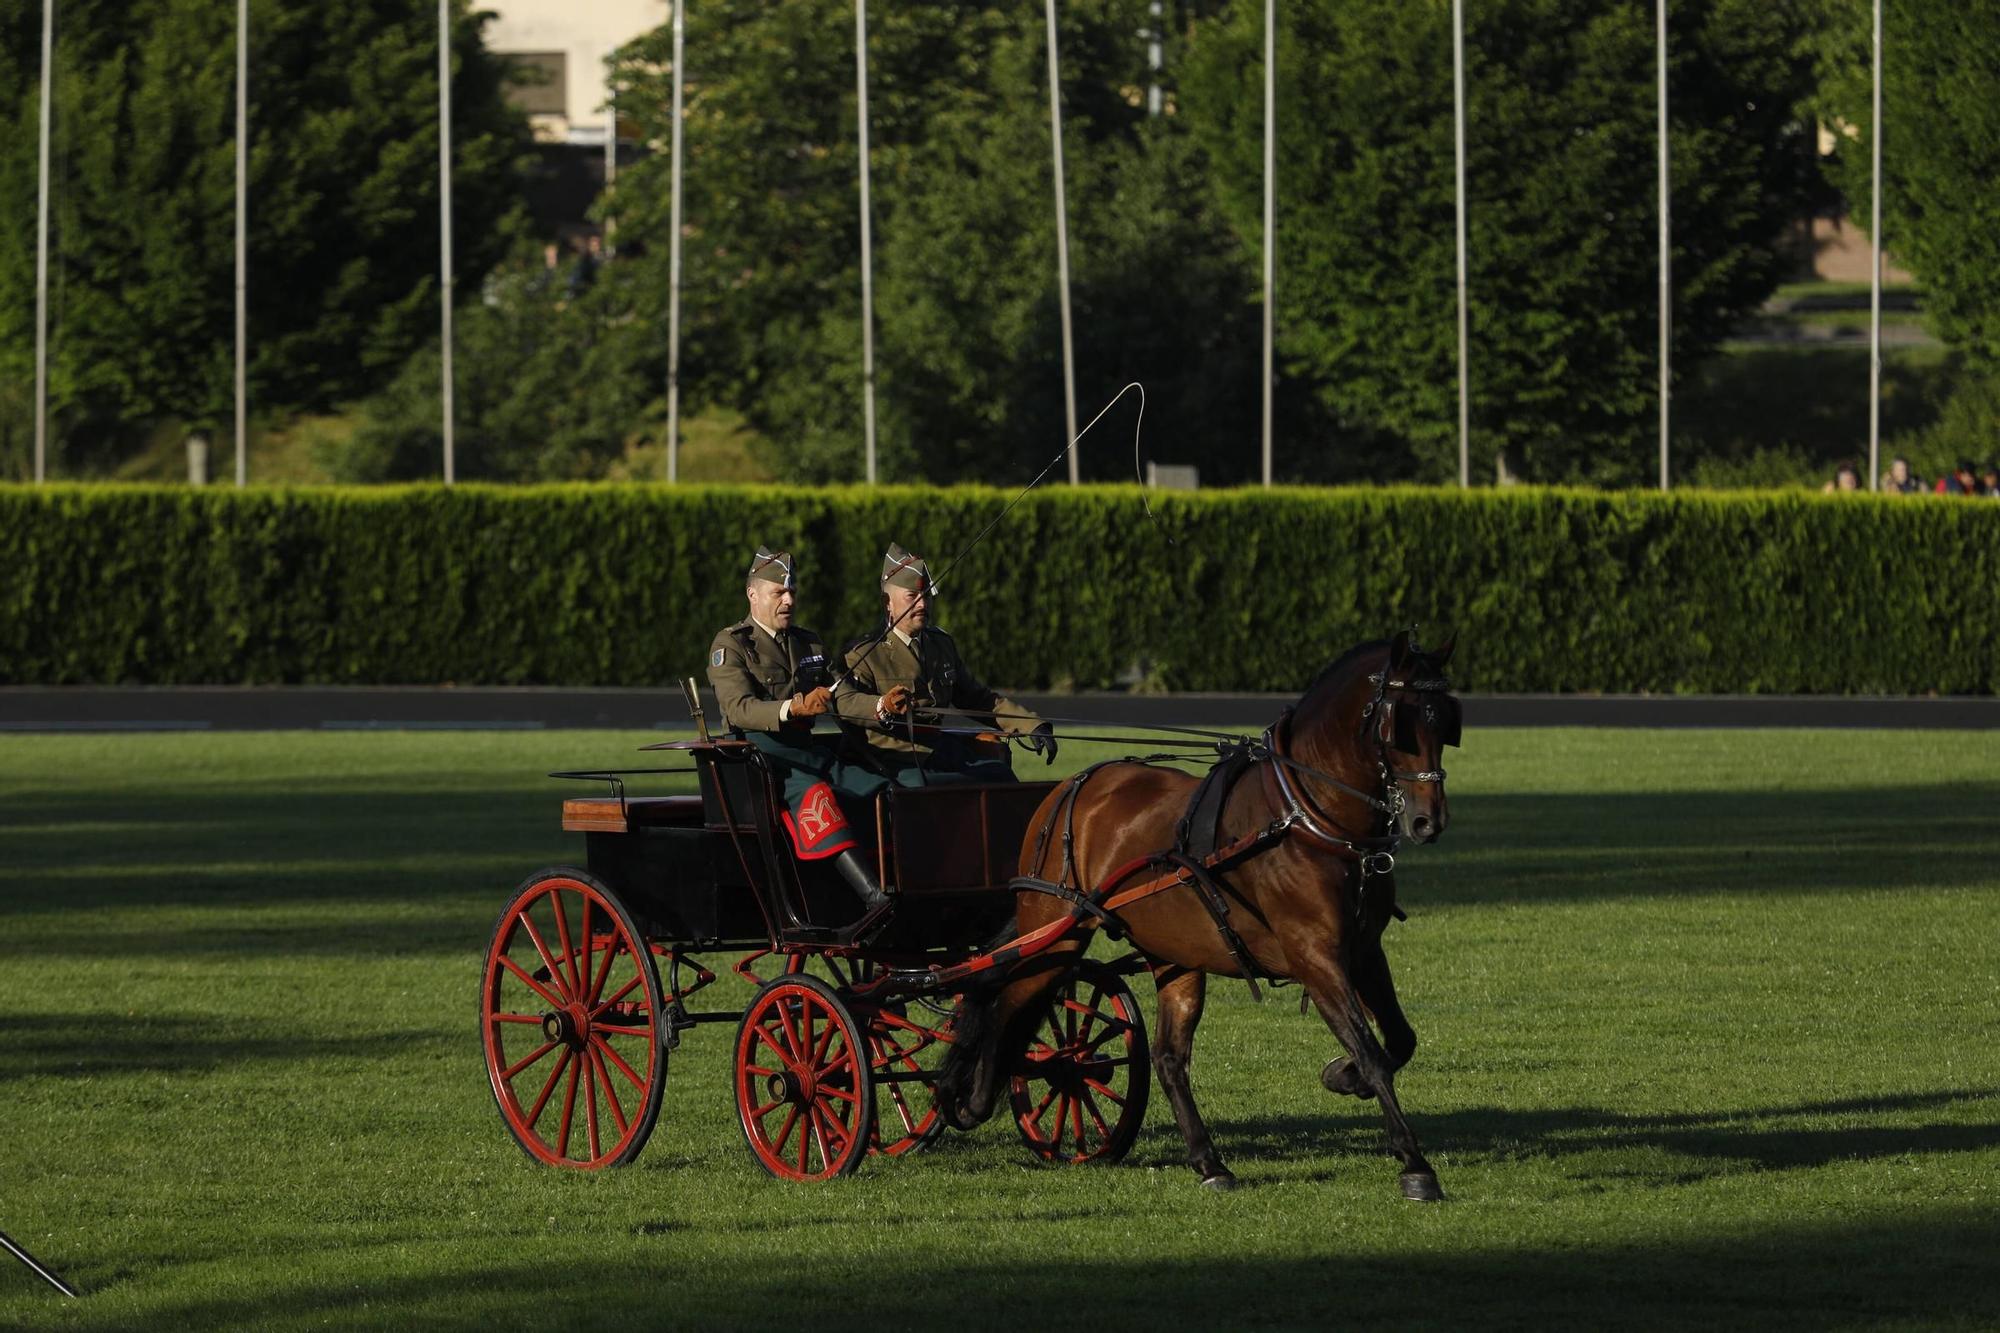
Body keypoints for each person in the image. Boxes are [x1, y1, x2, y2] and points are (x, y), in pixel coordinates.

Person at [705, 545, 899, 931]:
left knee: (883, 790)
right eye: (779, 592)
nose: (789, 600)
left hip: (809, 755)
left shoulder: (807, 643)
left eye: (792, 591)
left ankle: (903, 881)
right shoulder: (731, 645)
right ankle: (875, 900)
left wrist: (881, 706)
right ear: (753, 595)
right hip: (765, 763)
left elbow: (839, 694)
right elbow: (738, 708)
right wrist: (792, 708)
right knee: (817, 797)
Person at [839, 543, 1056, 785]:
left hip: (939, 749)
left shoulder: (940, 645)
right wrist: (883, 705)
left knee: (1000, 777)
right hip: (894, 759)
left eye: (926, 596)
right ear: (887, 602)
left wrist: (1030, 724)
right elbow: (848, 706)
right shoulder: (864, 654)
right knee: (938, 790)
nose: (923, 604)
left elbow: (977, 699)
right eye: (912, 597)